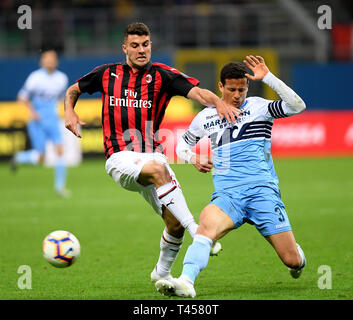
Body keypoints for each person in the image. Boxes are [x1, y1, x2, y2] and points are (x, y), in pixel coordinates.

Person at [64, 22, 239, 283]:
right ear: (125, 48)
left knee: (174, 223)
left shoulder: (162, 76)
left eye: (145, 44)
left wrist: (218, 102)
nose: (141, 50)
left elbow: (198, 93)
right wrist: (69, 111)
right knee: (163, 178)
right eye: (135, 45)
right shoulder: (107, 74)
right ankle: (198, 232)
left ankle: (162, 274)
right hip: (119, 157)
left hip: (153, 156)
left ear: (151, 45)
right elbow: (73, 90)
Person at [155, 56, 307, 298]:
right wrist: (193, 158)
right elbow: (182, 147)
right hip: (228, 196)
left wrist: (268, 77)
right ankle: (185, 281)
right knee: (205, 227)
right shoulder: (205, 117)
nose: (237, 95)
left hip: (262, 193)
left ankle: (298, 258)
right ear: (220, 87)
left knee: (292, 260)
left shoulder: (259, 107)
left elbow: (298, 106)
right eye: (232, 89)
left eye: (242, 89)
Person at [11, 49, 70, 197]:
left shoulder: (62, 78)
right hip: (37, 121)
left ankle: (60, 187)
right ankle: (18, 158)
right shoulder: (35, 78)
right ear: (42, 61)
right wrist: (32, 112)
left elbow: (62, 99)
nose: (50, 61)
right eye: (47, 58)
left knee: (60, 150)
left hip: (53, 119)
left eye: (52, 58)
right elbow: (22, 97)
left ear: (56, 61)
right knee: (40, 157)